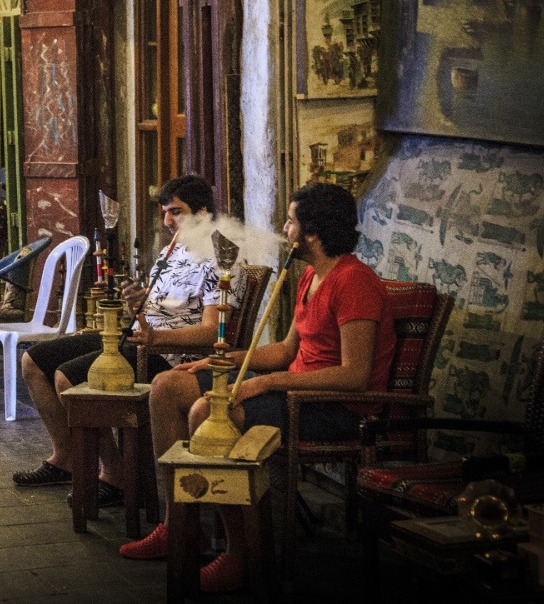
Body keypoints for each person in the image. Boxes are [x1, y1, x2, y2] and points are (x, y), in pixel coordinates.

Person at [141, 182, 396, 592]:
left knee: (208, 413)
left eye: (291, 221)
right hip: (295, 392)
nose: (285, 227)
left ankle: (242, 554)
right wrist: (224, 361)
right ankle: (179, 527)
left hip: (334, 408)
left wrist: (266, 385)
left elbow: (354, 375)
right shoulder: (311, 275)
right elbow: (284, 350)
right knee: (169, 385)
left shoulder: (354, 282)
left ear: (312, 232)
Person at [12, 175, 246, 510]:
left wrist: (158, 337)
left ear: (203, 211)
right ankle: (65, 459)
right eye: (165, 212)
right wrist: (134, 302)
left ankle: (116, 475)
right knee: (35, 360)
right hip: (144, 340)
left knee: (69, 376)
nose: (167, 221)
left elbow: (212, 332)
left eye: (176, 212)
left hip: (173, 357)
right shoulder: (174, 251)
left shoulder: (221, 256)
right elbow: (150, 309)